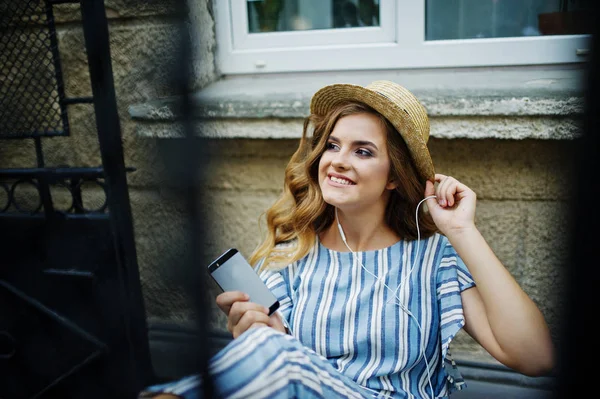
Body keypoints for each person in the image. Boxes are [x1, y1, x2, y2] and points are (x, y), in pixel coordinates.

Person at [139, 80, 554, 399]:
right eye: (333, 145)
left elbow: (534, 358)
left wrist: (462, 230)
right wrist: (253, 342)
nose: (337, 160)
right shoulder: (290, 258)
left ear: (394, 176)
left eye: (363, 151)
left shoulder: (432, 259)